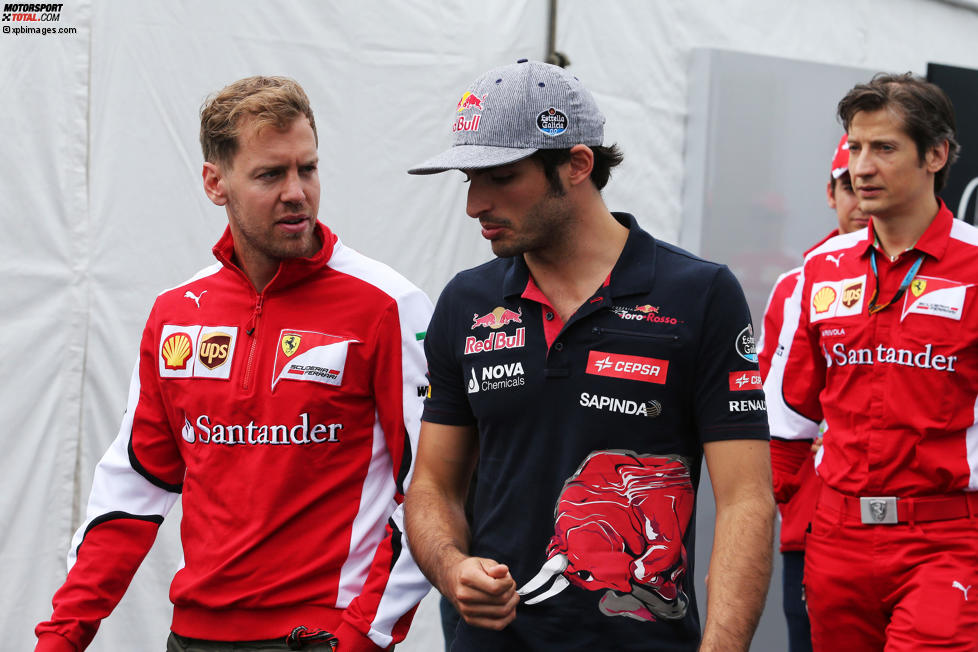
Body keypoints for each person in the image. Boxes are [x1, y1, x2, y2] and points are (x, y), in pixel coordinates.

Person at [34, 76, 433, 652]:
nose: (297, 192)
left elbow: (429, 492)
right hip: (193, 635)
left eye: (308, 169)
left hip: (319, 635)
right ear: (215, 183)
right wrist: (63, 636)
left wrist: (363, 638)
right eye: (270, 174)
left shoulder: (388, 305)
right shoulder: (176, 314)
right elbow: (132, 489)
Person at [403, 59, 775, 652]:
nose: (476, 203)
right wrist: (451, 569)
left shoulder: (699, 294)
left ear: (577, 165)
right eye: (468, 179)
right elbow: (433, 486)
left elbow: (746, 500)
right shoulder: (467, 302)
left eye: (500, 176)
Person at [765, 72, 977, 651]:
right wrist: (804, 513)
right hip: (835, 538)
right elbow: (786, 419)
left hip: (944, 537)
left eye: (884, 148)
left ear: (936, 155)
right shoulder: (819, 269)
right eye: (856, 148)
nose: (862, 168)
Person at [757, 133, 869, 652]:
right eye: (846, 184)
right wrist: (799, 498)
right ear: (831, 193)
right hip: (814, 526)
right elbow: (773, 407)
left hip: (920, 532)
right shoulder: (796, 284)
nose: (860, 195)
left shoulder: (951, 271)